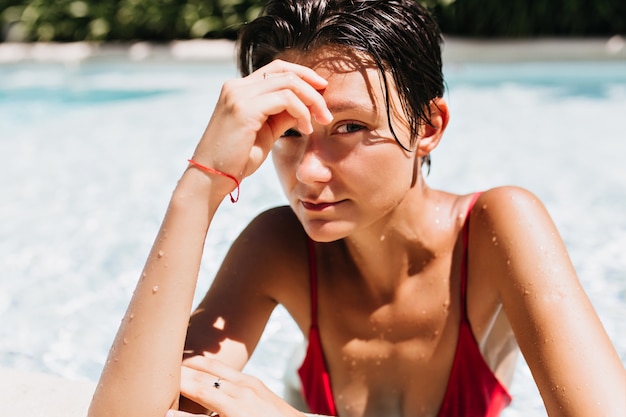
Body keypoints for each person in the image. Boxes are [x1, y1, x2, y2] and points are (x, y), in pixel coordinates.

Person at [88, 1, 625, 416]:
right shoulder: (280, 246)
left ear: (428, 126)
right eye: (289, 131)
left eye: (349, 128)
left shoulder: (496, 230)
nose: (308, 173)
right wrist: (200, 185)